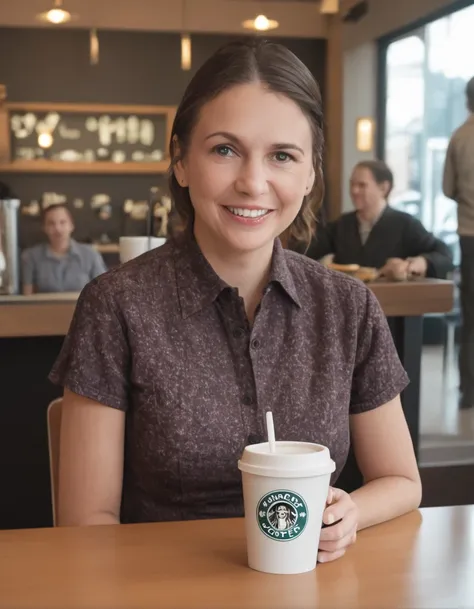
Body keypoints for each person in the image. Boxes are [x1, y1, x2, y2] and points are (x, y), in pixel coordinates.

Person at [49, 39, 421, 564]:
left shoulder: (348, 306)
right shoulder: (116, 306)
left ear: (311, 172)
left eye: (282, 156)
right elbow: (86, 524)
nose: (252, 182)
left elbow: (401, 480)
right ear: (180, 160)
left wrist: (349, 514)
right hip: (160, 589)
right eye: (224, 149)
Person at [305, 160, 453, 279]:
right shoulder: (342, 224)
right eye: (352, 184)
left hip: (393, 308)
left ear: (383, 188)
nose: (354, 191)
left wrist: (416, 264)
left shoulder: (405, 224)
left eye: (362, 185)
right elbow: (307, 251)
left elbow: (443, 254)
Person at [442, 76, 474, 409]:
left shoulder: (460, 137)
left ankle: (469, 389)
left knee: (471, 315)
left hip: (470, 234)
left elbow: (448, 188)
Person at [21, 203, 107, 294]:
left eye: (63, 222)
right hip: (44, 308)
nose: (58, 228)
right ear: (44, 228)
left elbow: (104, 292)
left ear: (71, 226)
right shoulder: (30, 257)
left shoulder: (91, 254)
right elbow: (27, 298)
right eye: (51, 223)